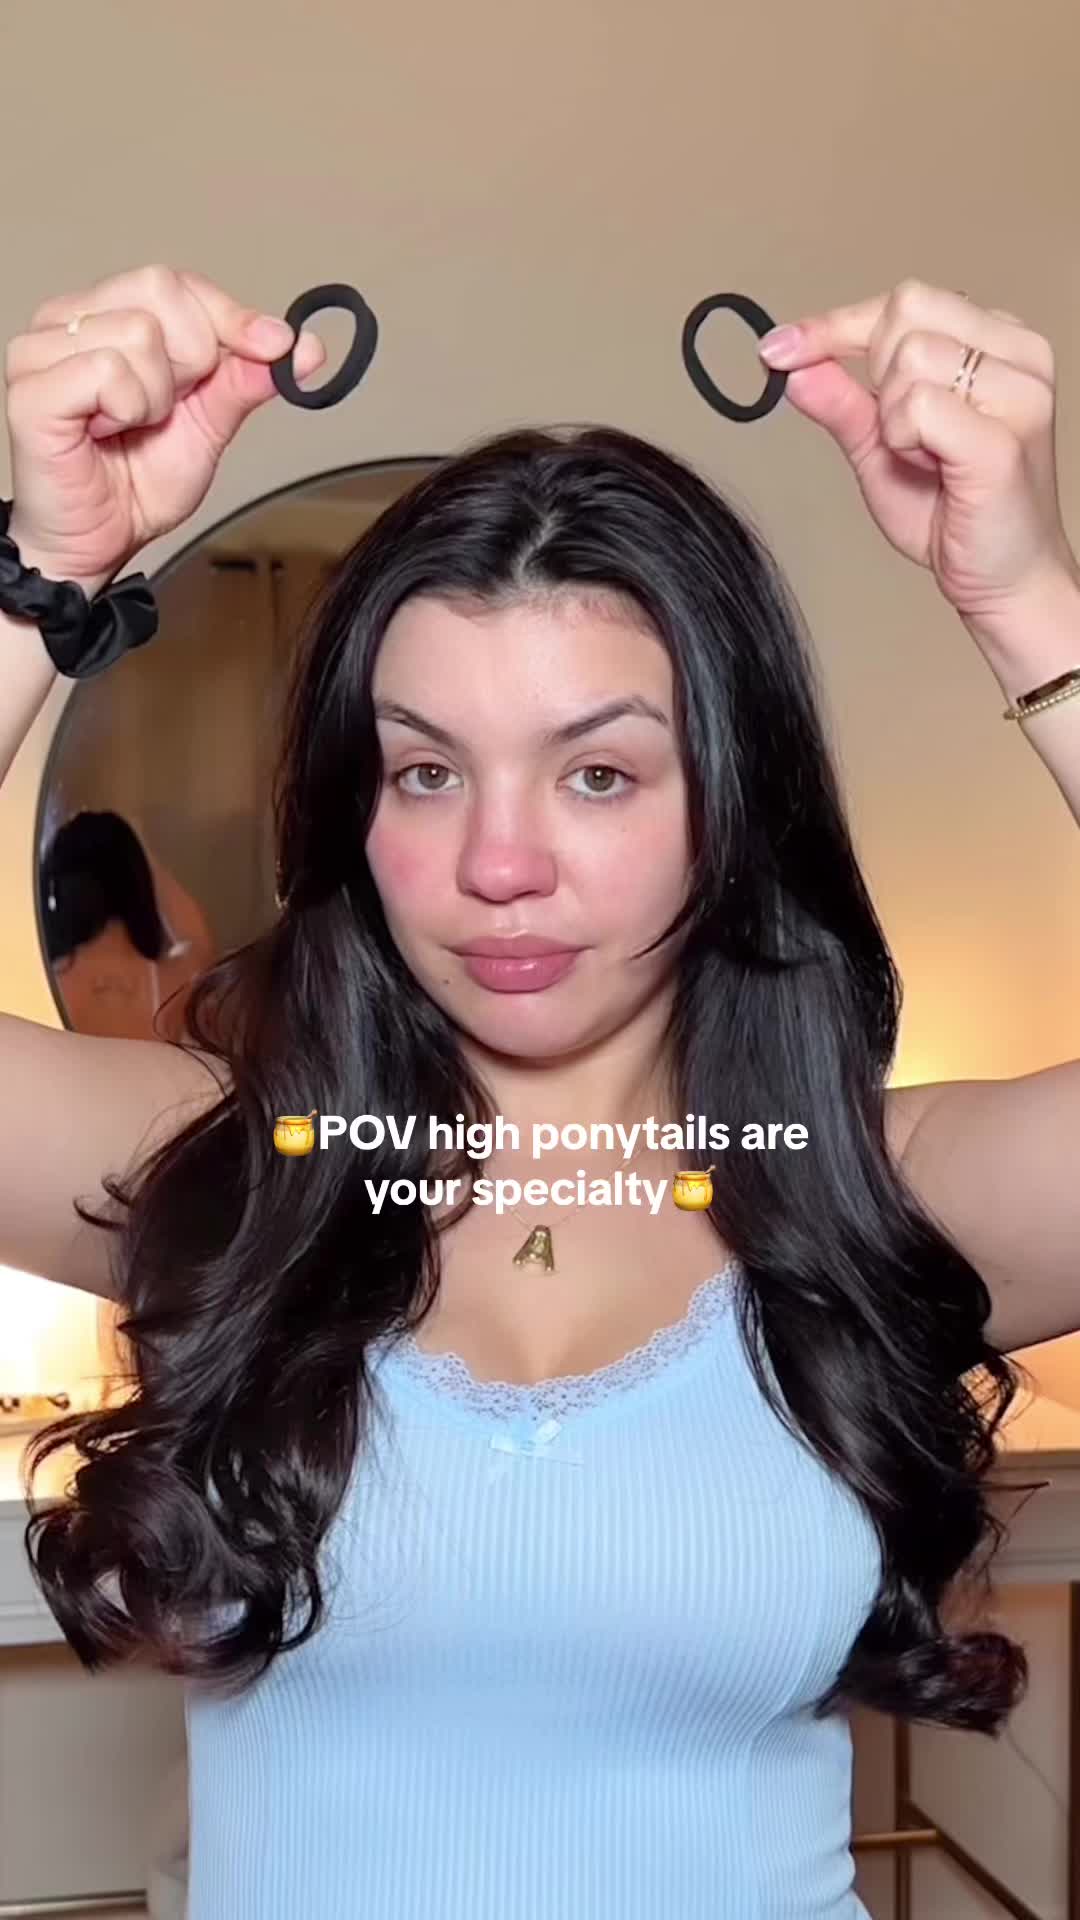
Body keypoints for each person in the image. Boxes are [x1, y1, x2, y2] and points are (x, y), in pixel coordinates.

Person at [1, 264, 1079, 1920]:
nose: (499, 864)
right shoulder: (234, 1173)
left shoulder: (880, 1194)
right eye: (427, 770)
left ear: (733, 802)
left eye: (599, 771)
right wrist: (42, 577)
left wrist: (1030, 605)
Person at [41, 808, 215, 1040]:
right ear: (138, 879)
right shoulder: (171, 983)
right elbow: (197, 939)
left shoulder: (48, 982)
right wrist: (144, 854)